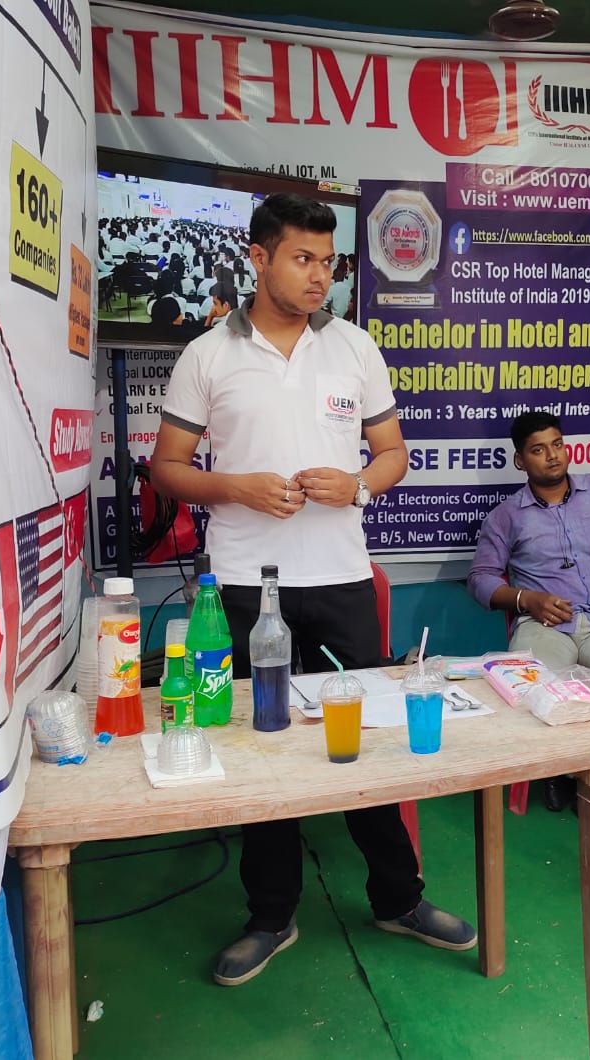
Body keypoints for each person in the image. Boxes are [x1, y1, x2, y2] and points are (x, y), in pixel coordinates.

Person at [151, 193, 476, 988]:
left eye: (328, 263)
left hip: (340, 577)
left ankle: (398, 898)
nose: (318, 277)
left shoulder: (355, 347)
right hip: (244, 584)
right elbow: (166, 468)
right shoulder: (208, 355)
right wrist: (237, 488)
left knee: (365, 737)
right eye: (302, 259)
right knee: (259, 747)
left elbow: (393, 453)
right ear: (258, 258)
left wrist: (357, 485)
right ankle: (271, 914)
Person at [467, 411, 590, 811]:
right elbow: (480, 578)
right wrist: (527, 599)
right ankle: (580, 763)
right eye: (538, 450)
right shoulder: (506, 516)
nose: (552, 455)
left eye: (557, 444)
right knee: (530, 692)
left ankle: (573, 764)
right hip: (545, 627)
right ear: (520, 460)